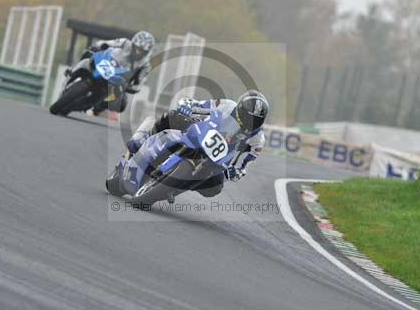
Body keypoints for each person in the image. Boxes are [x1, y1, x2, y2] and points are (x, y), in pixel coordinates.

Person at [127, 90, 269, 197]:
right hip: (201, 132)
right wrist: (188, 105)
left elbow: (244, 166)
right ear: (240, 109)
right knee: (173, 116)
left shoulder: (257, 139)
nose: (251, 122)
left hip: (218, 159)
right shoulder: (227, 105)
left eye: (256, 120)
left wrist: (235, 172)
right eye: (248, 117)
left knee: (214, 189)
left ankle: (174, 187)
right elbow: (201, 105)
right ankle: (145, 136)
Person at [66, 30, 155, 114]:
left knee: (121, 104)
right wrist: (100, 46)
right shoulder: (124, 43)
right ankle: (71, 71)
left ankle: (98, 106)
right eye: (136, 48)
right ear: (133, 44)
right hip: (106, 65)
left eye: (141, 51)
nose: (138, 52)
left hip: (117, 82)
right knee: (88, 55)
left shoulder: (145, 65)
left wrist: (131, 87)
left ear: (147, 52)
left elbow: (140, 83)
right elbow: (107, 43)